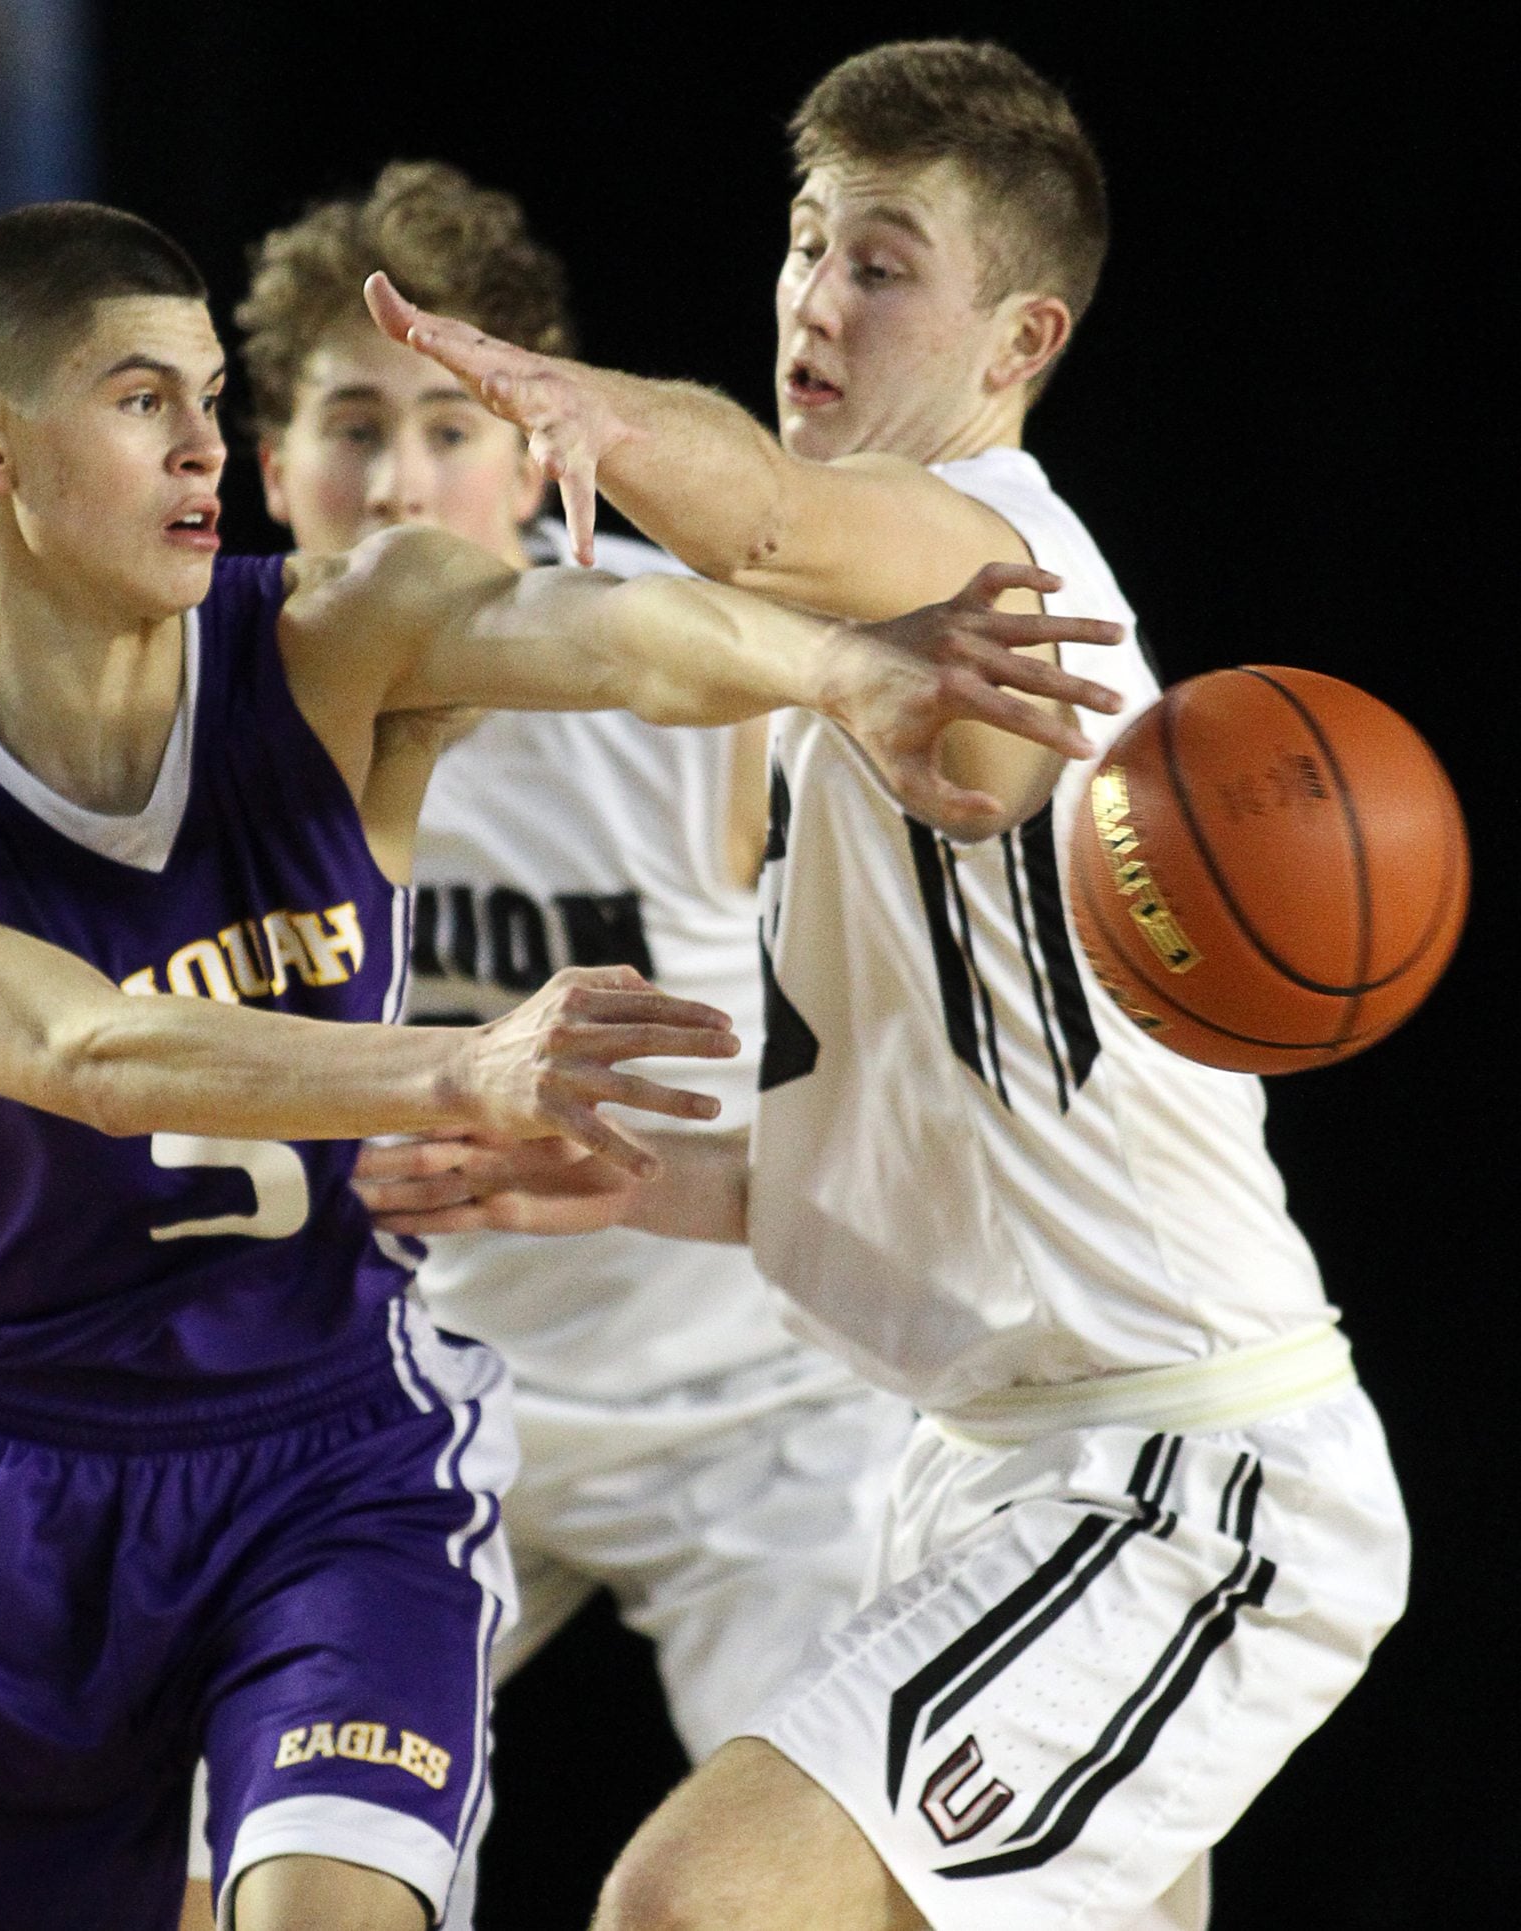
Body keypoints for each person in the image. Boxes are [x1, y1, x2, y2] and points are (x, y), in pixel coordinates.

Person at [0, 199, 1121, 1931]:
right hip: (1, 1490)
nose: (201, 447)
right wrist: (459, 1070)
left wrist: (839, 666)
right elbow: (79, 1064)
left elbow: (621, 638)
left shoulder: (336, 641)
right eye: (142, 403)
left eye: (207, 400)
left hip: (344, 1448)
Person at [358, 38, 1409, 1931]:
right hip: (1005, 1457)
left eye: (883, 262)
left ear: (1021, 338)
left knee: (693, 1904)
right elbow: (950, 1142)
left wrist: (566, 408)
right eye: (803, 242)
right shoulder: (865, 658)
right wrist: (663, 1182)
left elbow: (754, 513)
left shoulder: (1001, 566)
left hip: (1182, 1469)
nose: (815, 299)